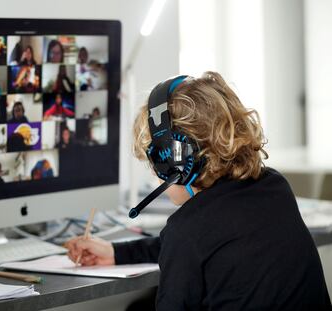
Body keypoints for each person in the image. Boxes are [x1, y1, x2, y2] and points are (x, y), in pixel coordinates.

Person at [65, 72, 332, 310]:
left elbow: (190, 247)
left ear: (175, 161)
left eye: (154, 162)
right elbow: (205, 244)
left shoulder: (187, 232)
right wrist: (117, 252)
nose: (153, 174)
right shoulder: (274, 185)